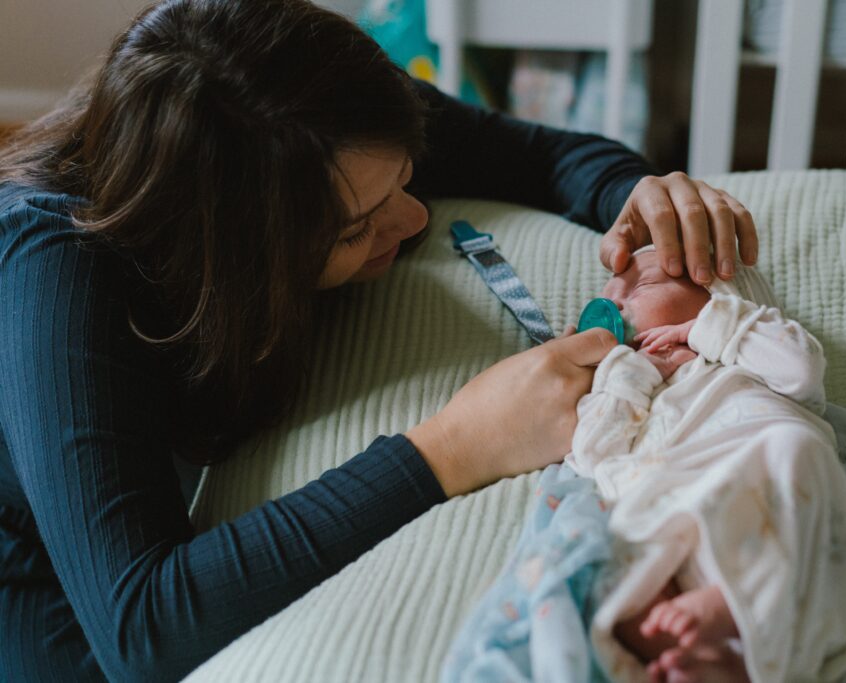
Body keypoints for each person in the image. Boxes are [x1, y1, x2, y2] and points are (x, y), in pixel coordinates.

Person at [0, 0, 759, 680]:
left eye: (403, 180)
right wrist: (454, 445)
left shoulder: (318, 122)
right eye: (357, 229)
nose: (414, 219)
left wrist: (636, 192)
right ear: (230, 260)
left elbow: (531, 151)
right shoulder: (59, 267)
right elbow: (146, 627)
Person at [564, 249, 846, 682]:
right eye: (607, 295)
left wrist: (706, 328)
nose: (616, 304)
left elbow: (801, 367)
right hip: (673, 503)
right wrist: (627, 374)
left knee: (794, 446)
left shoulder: (744, 353)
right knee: (613, 568)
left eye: (641, 287)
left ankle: (738, 613)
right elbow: (593, 454)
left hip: (762, 491)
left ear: (720, 294)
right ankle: (717, 660)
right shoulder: (627, 380)